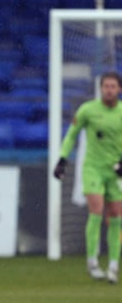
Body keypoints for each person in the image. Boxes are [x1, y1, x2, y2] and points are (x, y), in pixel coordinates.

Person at [53, 71, 122, 284]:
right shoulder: (88, 110)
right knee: (96, 210)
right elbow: (72, 134)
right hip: (92, 168)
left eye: (113, 86)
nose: (109, 90)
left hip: (115, 170)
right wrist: (62, 159)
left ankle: (113, 265)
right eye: (106, 86)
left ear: (119, 89)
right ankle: (92, 262)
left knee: (117, 216)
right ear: (100, 88)